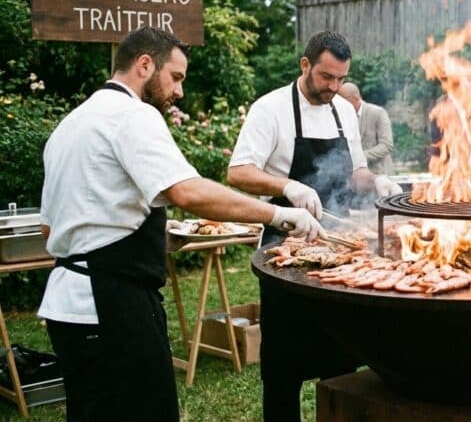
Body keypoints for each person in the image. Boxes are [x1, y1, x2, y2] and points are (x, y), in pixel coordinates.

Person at [37, 27, 321, 422]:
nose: (180, 91)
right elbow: (186, 191)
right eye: (176, 77)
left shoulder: (70, 125)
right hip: (111, 304)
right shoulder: (133, 115)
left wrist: (151, 236)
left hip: (67, 308)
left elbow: (51, 231)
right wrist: (279, 214)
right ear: (144, 65)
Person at [226, 31, 401, 422]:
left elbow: (355, 173)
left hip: (338, 247)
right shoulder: (270, 108)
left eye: (341, 79)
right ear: (305, 65)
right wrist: (288, 186)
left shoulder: (343, 111)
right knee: (283, 364)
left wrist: (377, 182)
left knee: (342, 359)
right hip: (285, 249)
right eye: (326, 77)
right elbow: (238, 171)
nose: (333, 87)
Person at [339, 82, 395, 175]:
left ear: (355, 98)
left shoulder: (378, 113)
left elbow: (387, 145)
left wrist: (359, 157)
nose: (340, 105)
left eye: (343, 101)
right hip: (355, 176)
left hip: (380, 173)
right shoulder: (343, 117)